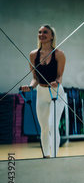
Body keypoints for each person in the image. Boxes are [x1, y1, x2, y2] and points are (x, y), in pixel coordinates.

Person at [21, 24, 66, 158]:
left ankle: (54, 157)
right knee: (44, 128)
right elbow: (35, 78)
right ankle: (46, 156)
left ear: (52, 36)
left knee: (52, 126)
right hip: (41, 92)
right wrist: (30, 87)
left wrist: (56, 83)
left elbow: (59, 76)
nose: (41, 35)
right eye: (40, 32)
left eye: (45, 32)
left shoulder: (59, 54)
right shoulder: (33, 54)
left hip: (56, 93)